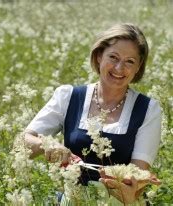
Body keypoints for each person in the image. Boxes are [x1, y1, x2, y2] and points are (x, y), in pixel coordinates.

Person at [24, 23, 161, 205]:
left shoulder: (148, 109)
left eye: (130, 61)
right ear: (98, 57)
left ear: (138, 67)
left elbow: (138, 179)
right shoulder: (69, 96)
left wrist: (126, 187)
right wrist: (46, 145)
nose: (120, 68)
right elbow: (25, 140)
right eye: (113, 57)